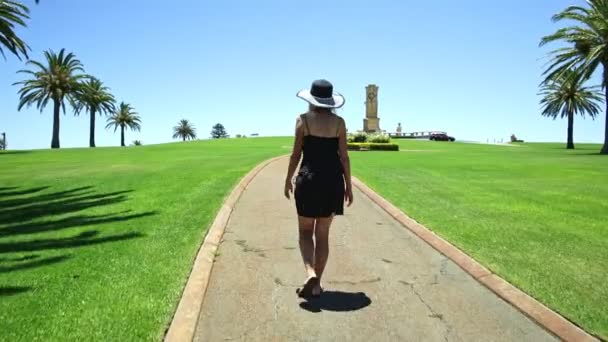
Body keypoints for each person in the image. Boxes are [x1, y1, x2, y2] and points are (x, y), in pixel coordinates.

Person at [284, 79, 354, 298]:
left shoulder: (303, 120)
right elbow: (344, 157)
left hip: (308, 181)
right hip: (332, 182)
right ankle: (316, 285)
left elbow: (296, 154)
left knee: (305, 232)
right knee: (322, 235)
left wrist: (287, 179)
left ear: (311, 100)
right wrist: (349, 186)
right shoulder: (339, 123)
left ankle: (309, 272)